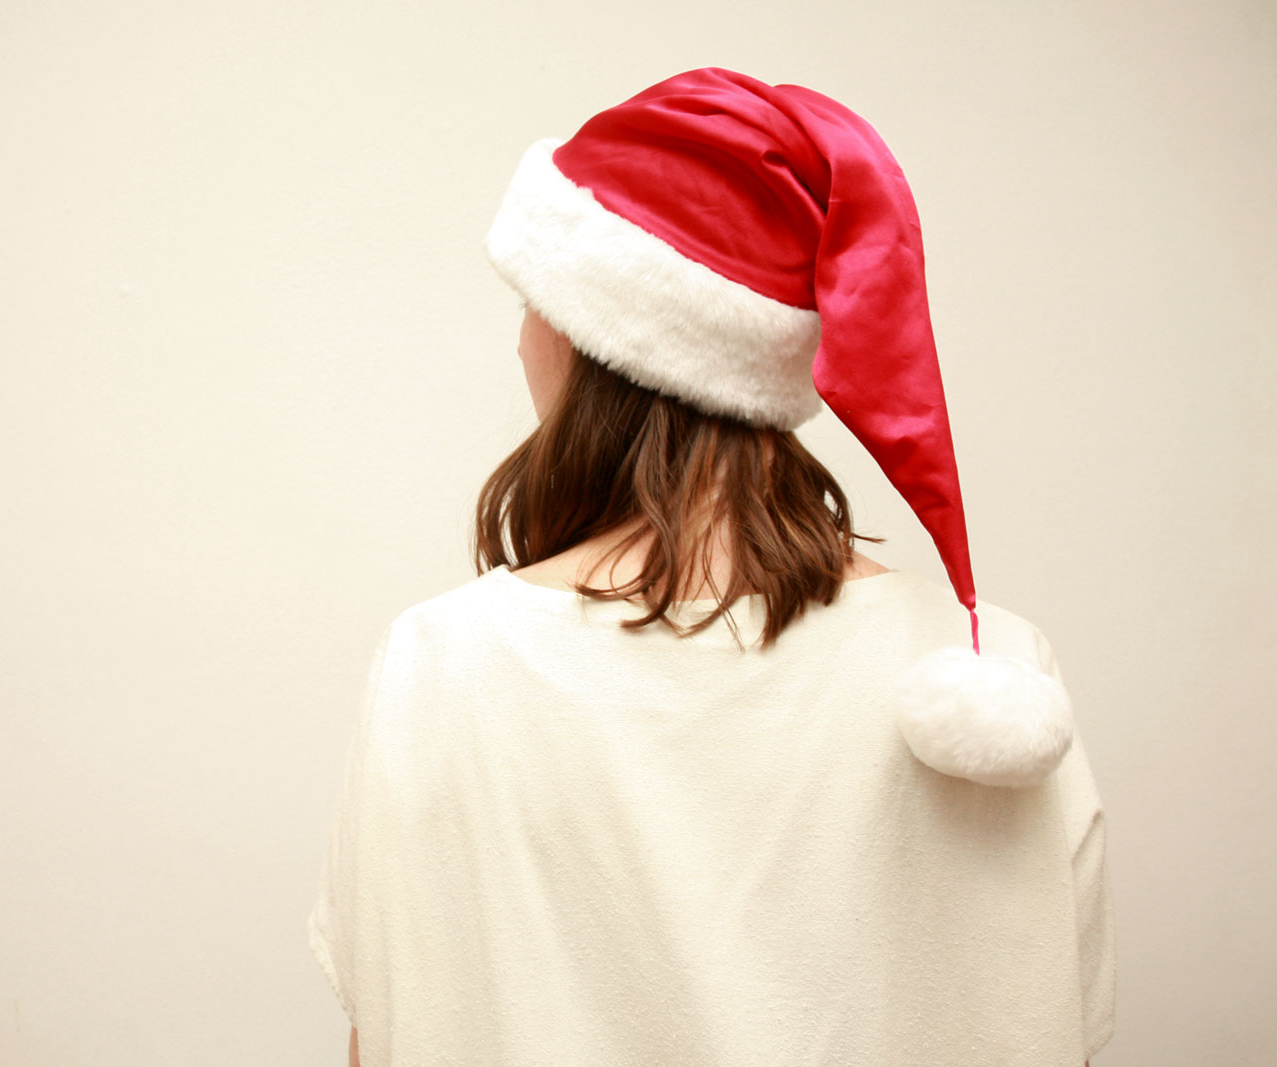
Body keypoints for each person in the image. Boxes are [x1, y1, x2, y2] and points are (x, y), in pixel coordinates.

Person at [308, 68, 1115, 1066]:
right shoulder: (986, 674)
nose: (520, 341)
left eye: (529, 300)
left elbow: (382, 1037)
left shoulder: (443, 666)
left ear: (583, 328)